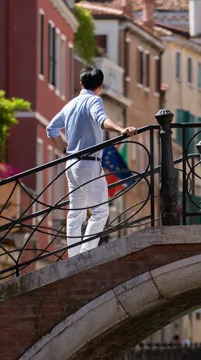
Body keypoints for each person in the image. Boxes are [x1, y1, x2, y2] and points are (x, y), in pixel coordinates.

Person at [47, 65, 137, 257]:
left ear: (81, 83)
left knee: (76, 212)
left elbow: (51, 129)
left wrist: (64, 149)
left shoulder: (70, 105)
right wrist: (121, 130)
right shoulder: (94, 100)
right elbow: (102, 120)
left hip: (71, 163)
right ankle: (86, 254)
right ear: (100, 85)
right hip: (89, 163)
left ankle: (73, 256)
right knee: (100, 212)